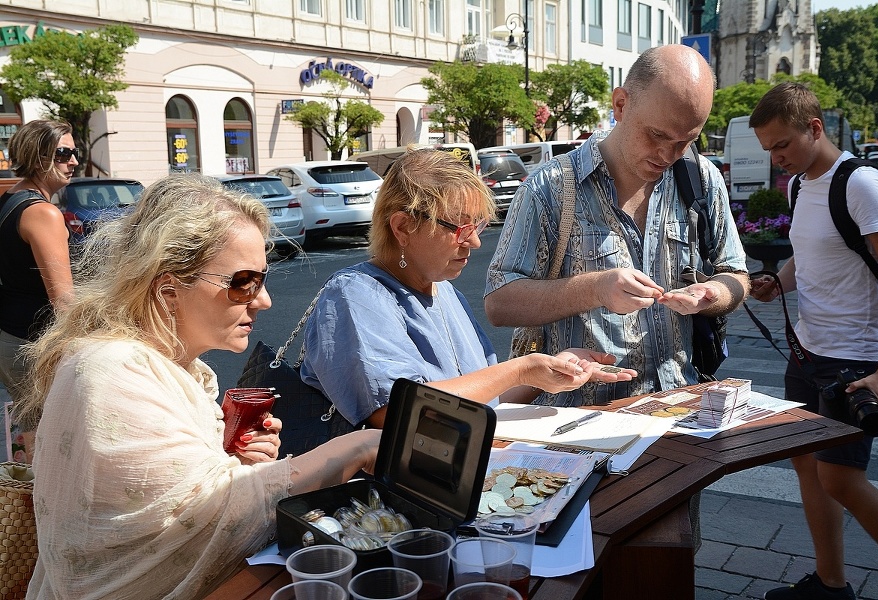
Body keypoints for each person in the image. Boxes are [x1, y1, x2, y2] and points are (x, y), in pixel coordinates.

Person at [17, 174, 381, 600]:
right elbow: (209, 509)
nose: (263, 300)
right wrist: (356, 447)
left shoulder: (171, 365)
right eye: (244, 281)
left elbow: (161, 502)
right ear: (170, 289)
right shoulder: (110, 370)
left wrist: (227, 457)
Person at [485, 44, 749, 407]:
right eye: (656, 135)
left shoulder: (701, 179)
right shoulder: (551, 188)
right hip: (578, 426)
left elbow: (736, 274)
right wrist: (595, 288)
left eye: (686, 141)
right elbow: (499, 303)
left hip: (681, 410)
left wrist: (712, 295)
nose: (668, 155)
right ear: (621, 104)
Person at [299, 148, 636, 429]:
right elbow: (394, 413)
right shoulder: (353, 296)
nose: (474, 241)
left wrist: (548, 372)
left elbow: (486, 398)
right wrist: (520, 368)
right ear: (403, 226)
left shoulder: (443, 290)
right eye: (459, 228)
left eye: (478, 225)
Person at [749, 82, 878, 600]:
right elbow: (813, 259)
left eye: (783, 145)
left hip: (853, 361)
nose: (777, 158)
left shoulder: (862, 186)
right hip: (806, 351)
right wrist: (779, 283)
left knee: (840, 479)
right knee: (810, 469)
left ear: (815, 128)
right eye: (769, 149)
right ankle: (831, 586)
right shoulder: (798, 186)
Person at [0, 119, 77, 459]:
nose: (73, 161)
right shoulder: (42, 212)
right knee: (51, 441)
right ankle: (40, 505)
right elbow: (63, 297)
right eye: (63, 153)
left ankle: (23, 503)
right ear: (38, 155)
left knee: (29, 428)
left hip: (9, 334)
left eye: (75, 152)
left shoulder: (9, 199)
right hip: (33, 343)